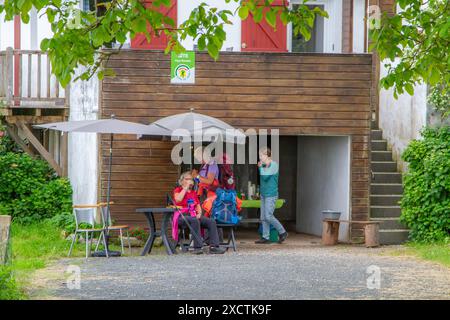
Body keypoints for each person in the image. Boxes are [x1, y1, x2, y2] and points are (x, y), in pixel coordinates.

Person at [173, 171, 226, 254]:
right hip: (181, 216)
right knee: (195, 220)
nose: (190, 181)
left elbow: (198, 205)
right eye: (188, 179)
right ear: (182, 181)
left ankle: (214, 246)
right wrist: (185, 188)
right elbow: (178, 199)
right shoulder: (178, 190)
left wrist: (199, 213)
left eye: (191, 179)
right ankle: (197, 248)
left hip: (193, 215)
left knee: (211, 221)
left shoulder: (194, 193)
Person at [255, 147, 288, 244]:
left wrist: (260, 167)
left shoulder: (274, 165)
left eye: (261, 155)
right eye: (259, 155)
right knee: (263, 217)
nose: (260, 157)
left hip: (271, 194)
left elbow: (265, 177)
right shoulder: (265, 165)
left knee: (268, 216)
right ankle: (265, 237)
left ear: (267, 155)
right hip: (264, 193)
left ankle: (283, 232)